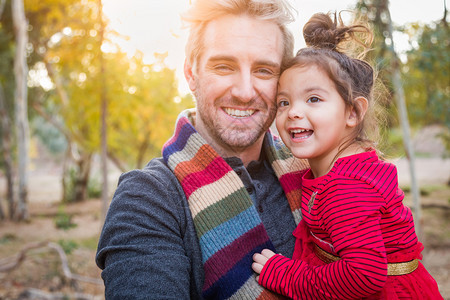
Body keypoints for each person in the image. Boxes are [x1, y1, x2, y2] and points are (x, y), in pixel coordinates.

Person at [96, 0, 310, 299]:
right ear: (190, 74)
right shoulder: (148, 198)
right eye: (224, 66)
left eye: (263, 70)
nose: (245, 91)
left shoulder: (316, 174)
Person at [252, 11, 443, 300]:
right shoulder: (348, 165)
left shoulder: (346, 187)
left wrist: (285, 275)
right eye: (283, 101)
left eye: (314, 99)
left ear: (352, 112)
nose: (293, 111)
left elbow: (363, 275)